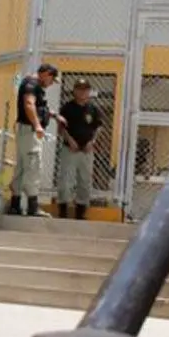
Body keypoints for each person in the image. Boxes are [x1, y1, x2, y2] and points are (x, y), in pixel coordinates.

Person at [8, 63, 64, 217]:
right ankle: (33, 207)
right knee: (33, 167)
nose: (51, 83)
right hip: (30, 132)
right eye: (52, 79)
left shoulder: (31, 84)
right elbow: (29, 104)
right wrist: (38, 126)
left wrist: (54, 115)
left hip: (25, 131)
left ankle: (15, 205)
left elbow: (38, 106)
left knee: (21, 168)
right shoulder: (32, 85)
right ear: (45, 73)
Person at [57, 78, 102, 220]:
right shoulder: (67, 107)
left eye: (85, 89)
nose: (83, 92)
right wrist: (69, 140)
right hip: (70, 149)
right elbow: (61, 127)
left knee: (85, 181)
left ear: (89, 91)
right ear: (74, 90)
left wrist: (92, 142)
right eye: (80, 89)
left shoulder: (93, 109)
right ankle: (63, 210)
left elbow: (98, 127)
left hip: (86, 151)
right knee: (66, 181)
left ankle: (80, 213)